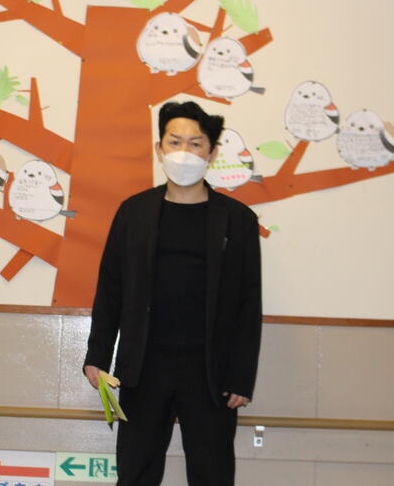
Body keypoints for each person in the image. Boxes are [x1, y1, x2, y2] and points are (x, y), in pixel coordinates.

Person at [83, 100, 262, 486]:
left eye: (196, 144)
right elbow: (111, 288)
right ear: (159, 148)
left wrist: (242, 377)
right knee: (136, 471)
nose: (184, 152)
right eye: (175, 141)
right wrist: (97, 355)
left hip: (211, 372)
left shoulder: (239, 221)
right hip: (143, 366)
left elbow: (249, 305)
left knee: (213, 474)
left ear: (212, 153)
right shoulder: (133, 213)